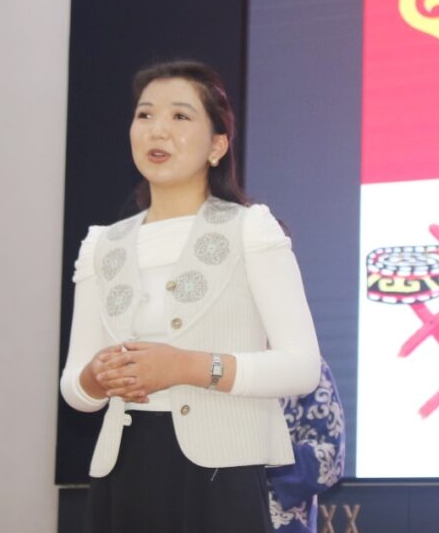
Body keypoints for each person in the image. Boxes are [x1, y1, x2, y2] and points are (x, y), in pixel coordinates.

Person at [59, 59, 322, 533]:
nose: (157, 129)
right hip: (123, 472)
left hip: (221, 477)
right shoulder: (102, 244)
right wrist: (97, 378)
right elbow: (75, 389)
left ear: (217, 144)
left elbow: (301, 366)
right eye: (145, 115)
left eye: (180, 116)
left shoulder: (251, 229)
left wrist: (184, 367)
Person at [268, 357, 346, 533]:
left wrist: (262, 459)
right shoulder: (213, 359)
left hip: (280, 517)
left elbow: (330, 454)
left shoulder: (307, 363)